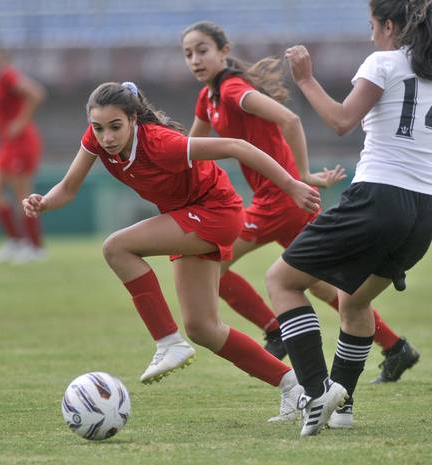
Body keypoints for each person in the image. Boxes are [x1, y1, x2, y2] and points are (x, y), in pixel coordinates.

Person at [22, 81, 321, 420]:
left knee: (116, 247)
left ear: (134, 119)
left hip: (217, 212)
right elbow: (68, 187)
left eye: (115, 127)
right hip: (188, 216)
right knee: (203, 328)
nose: (106, 137)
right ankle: (297, 388)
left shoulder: (162, 143)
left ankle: (167, 342)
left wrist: (292, 184)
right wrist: (43, 202)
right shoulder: (98, 142)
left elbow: (237, 146)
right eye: (99, 128)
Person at [181, 20, 419, 384]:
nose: (195, 59)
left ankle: (275, 329)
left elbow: (290, 119)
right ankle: (395, 347)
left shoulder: (232, 91)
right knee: (323, 286)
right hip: (278, 202)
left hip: (280, 201)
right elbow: (191, 152)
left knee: (213, 265)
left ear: (224, 52)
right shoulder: (208, 98)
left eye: (202, 50)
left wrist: (302, 175)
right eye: (188, 54)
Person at [266, 0, 432, 436]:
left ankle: (317, 391)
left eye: (373, 25)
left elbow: (341, 121)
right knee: (354, 302)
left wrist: (306, 79)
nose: (371, 34)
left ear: (390, 26)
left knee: (282, 281)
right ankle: (343, 407)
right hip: (427, 207)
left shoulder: (385, 61)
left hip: (380, 196)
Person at [0, 35, 46, 264]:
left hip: (22, 141)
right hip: (7, 144)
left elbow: (36, 93)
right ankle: (16, 241)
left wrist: (20, 122)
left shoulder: (7, 75)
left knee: (22, 195)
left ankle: (35, 247)